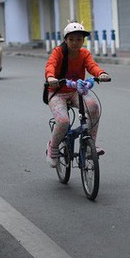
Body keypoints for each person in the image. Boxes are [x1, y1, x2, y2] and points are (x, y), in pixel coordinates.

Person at [45, 21, 111, 168]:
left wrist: (101, 74)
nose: (75, 43)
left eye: (79, 39)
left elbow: (92, 66)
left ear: (83, 40)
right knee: (63, 121)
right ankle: (53, 147)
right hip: (57, 93)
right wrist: (51, 77)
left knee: (93, 107)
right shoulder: (58, 52)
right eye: (71, 39)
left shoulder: (84, 54)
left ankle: (90, 145)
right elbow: (51, 65)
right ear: (65, 40)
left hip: (76, 91)